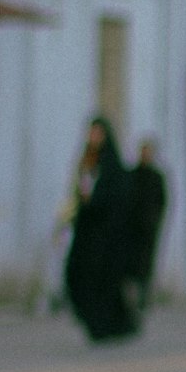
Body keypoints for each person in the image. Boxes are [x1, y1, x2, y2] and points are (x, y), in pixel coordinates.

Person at [63, 115, 139, 341]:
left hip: (106, 237)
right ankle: (94, 321)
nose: (93, 138)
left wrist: (94, 201)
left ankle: (105, 326)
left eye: (98, 133)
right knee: (76, 275)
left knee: (104, 282)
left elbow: (117, 201)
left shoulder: (112, 166)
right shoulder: (86, 162)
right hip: (86, 232)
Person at [128, 139, 168, 310]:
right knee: (133, 262)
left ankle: (144, 296)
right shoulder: (133, 175)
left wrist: (156, 220)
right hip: (133, 228)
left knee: (146, 263)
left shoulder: (156, 177)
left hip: (149, 227)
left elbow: (162, 201)